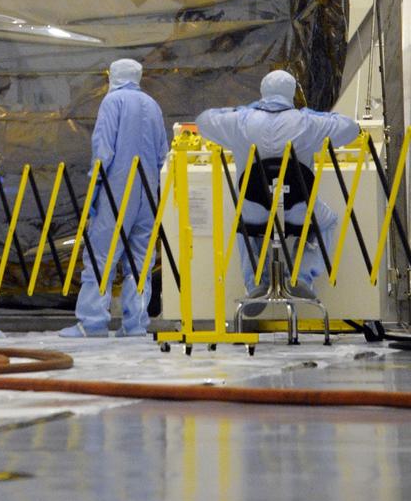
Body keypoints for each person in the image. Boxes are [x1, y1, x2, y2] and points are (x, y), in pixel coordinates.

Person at [195, 69, 360, 296]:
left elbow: (203, 121)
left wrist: (238, 111)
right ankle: (301, 277)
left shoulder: (240, 121)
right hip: (298, 211)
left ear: (262, 91)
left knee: (242, 222)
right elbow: (351, 128)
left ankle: (256, 285)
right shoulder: (307, 123)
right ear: (292, 93)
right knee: (327, 221)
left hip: (254, 212)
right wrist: (317, 115)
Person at [60, 58, 168, 339]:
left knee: (101, 256)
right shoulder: (153, 105)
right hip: (149, 191)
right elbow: (162, 155)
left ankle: (92, 322)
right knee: (141, 259)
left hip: (117, 190)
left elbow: (103, 150)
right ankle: (135, 324)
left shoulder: (113, 102)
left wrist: (95, 190)